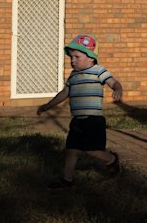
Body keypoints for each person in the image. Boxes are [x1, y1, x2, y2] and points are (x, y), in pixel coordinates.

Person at [37, 34, 124, 190]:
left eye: (77, 56)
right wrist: (48, 105)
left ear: (91, 57)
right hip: (77, 121)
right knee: (71, 150)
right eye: (71, 57)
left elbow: (113, 82)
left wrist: (118, 88)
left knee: (92, 151)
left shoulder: (99, 71)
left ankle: (111, 159)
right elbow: (64, 93)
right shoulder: (73, 75)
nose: (72, 60)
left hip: (93, 121)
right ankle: (67, 180)